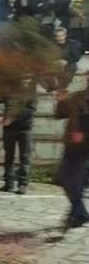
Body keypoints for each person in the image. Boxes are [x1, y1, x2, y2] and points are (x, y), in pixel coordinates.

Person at [0, 90, 37, 194]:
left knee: (25, 157)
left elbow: (30, 110)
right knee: (9, 157)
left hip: (25, 129)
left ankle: (22, 184)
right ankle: (9, 183)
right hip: (9, 130)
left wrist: (12, 118)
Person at [53, 88, 89, 229]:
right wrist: (61, 101)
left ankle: (78, 213)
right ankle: (78, 211)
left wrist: (83, 132)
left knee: (76, 181)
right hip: (71, 144)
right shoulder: (78, 95)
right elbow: (60, 114)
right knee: (64, 178)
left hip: (85, 147)